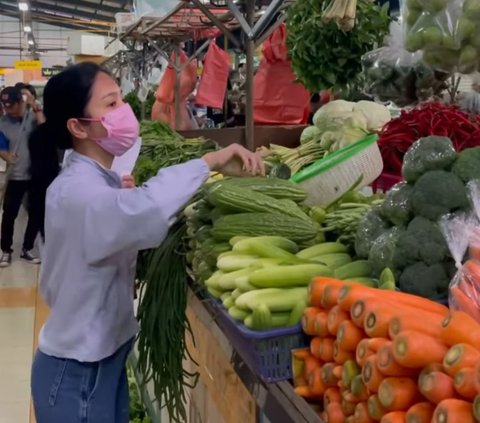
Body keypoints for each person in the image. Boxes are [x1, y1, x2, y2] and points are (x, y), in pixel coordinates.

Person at [30, 62, 264, 423]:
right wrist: (209, 161)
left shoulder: (95, 181)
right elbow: (147, 211)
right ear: (77, 126)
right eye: (110, 105)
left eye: (121, 100)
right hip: (77, 372)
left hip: (97, 362)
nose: (123, 111)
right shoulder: (78, 192)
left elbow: (120, 221)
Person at [0, 86, 45, 266]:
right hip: (15, 176)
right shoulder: (2, 123)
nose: (8, 109)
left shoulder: (32, 117)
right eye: (5, 106)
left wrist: (34, 105)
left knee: (35, 213)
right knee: (9, 213)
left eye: (11, 105)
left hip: (34, 174)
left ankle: (27, 248)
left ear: (20, 102)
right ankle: (5, 250)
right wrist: (5, 155)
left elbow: (45, 127)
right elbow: (1, 146)